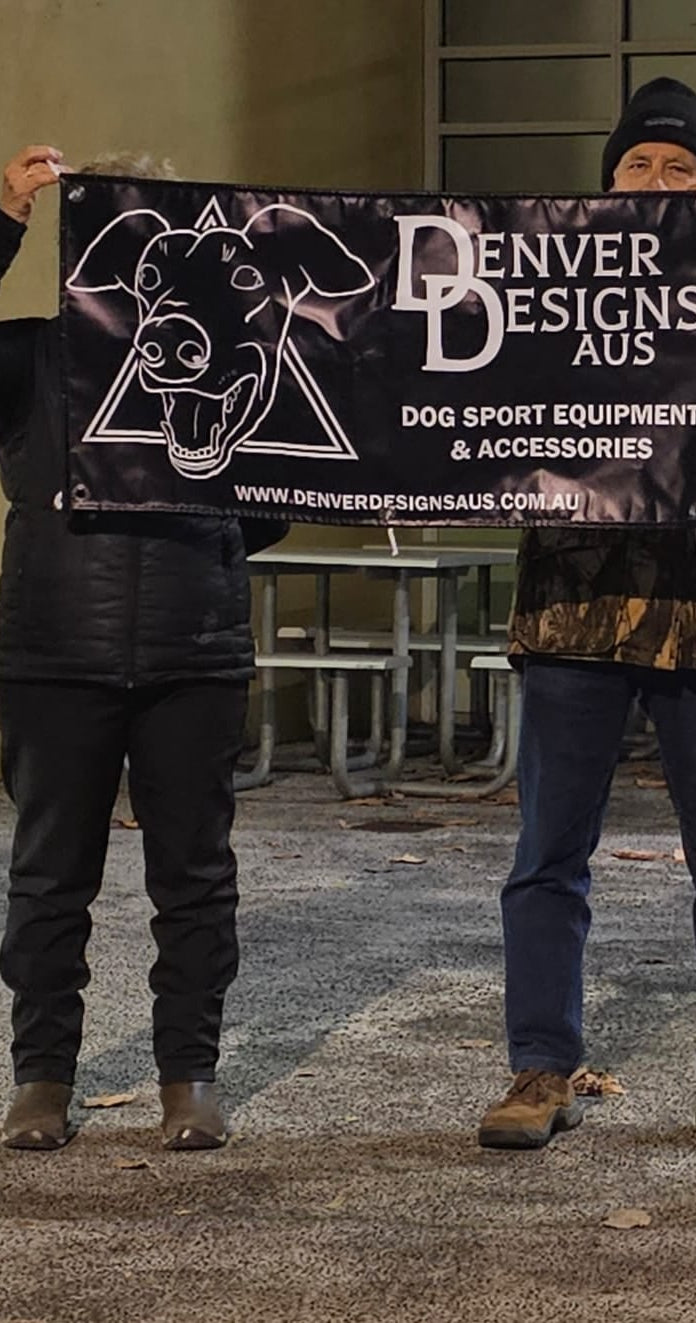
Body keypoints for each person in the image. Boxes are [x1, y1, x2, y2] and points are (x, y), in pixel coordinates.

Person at [478, 79, 696, 1152]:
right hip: (576, 617)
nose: (659, 182)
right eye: (639, 167)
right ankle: (540, 1068)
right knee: (549, 854)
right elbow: (472, 427)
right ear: (604, 190)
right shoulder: (540, 307)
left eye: (681, 169)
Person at [0, 145, 285, 1151]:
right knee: (46, 879)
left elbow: (278, 503)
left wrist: (199, 519)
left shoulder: (242, 363)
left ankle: (188, 1078)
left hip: (193, 648)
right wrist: (4, 221)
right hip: (54, 650)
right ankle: (40, 1081)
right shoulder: (31, 356)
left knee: (196, 879)